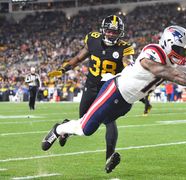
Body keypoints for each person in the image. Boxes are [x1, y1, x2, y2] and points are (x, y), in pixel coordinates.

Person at [41, 25, 186, 173]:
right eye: (179, 50)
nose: (183, 55)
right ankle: (58, 129)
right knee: (85, 129)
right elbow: (167, 73)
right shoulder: (152, 52)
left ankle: (89, 142)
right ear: (168, 43)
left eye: (185, 52)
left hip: (126, 103)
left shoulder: (171, 62)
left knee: (100, 123)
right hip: (114, 90)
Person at [47, 15, 135, 166]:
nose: (112, 34)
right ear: (103, 30)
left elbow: (127, 62)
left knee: (109, 120)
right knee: (83, 123)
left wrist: (131, 70)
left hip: (109, 89)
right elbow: (79, 58)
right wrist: (63, 70)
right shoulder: (93, 39)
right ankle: (65, 127)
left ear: (120, 33)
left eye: (115, 32)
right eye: (109, 31)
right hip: (91, 86)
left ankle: (109, 155)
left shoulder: (125, 47)